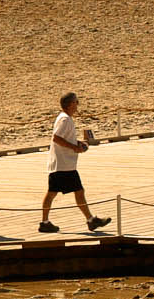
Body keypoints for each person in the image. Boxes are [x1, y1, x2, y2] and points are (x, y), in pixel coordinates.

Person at [40, 92, 111, 234]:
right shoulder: (65, 119)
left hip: (65, 164)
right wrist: (75, 148)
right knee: (56, 193)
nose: (77, 105)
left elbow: (62, 138)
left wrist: (77, 144)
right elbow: (56, 138)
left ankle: (90, 220)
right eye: (76, 102)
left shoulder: (65, 118)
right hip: (62, 164)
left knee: (74, 191)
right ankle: (45, 222)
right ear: (70, 104)